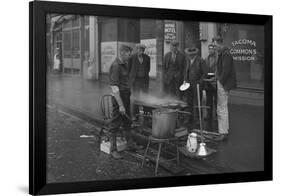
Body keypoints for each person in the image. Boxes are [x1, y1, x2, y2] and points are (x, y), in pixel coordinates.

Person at [108, 44, 140, 159]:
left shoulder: (124, 64)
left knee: (127, 121)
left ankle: (130, 145)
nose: (130, 55)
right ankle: (113, 150)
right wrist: (121, 105)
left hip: (125, 96)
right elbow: (114, 88)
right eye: (128, 53)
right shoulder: (116, 66)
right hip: (119, 98)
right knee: (115, 123)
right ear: (122, 53)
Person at [212, 36, 237, 141]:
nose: (214, 47)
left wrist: (220, 81)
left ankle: (223, 133)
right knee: (222, 107)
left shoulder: (225, 54)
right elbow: (222, 69)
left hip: (223, 84)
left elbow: (226, 71)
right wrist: (216, 78)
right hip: (223, 83)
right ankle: (224, 129)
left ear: (220, 43)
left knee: (221, 108)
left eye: (215, 45)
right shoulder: (223, 53)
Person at [183, 47, 208, 128]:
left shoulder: (201, 61)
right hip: (189, 83)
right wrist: (185, 80)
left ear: (195, 54)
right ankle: (189, 117)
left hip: (197, 84)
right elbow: (186, 71)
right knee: (189, 101)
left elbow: (205, 73)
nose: (190, 56)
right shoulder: (187, 60)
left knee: (197, 102)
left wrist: (200, 82)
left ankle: (198, 119)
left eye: (192, 55)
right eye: (189, 55)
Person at [128, 44, 150, 117]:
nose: (141, 51)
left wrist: (144, 75)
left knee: (145, 96)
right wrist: (130, 79)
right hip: (135, 81)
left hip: (144, 80)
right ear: (137, 50)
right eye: (140, 50)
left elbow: (148, 69)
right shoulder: (131, 58)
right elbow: (128, 69)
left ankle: (146, 112)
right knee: (136, 97)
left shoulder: (147, 58)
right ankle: (135, 114)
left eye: (142, 50)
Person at [203, 44, 217, 128]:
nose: (210, 50)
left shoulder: (217, 58)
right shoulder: (206, 59)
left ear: (214, 50)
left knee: (216, 100)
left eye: (212, 49)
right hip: (208, 81)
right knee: (209, 100)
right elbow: (204, 69)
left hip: (215, 81)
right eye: (209, 49)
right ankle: (209, 115)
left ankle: (216, 115)